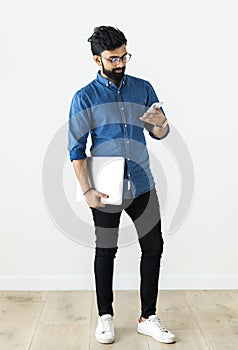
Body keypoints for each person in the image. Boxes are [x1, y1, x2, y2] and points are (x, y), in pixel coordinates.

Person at [68, 26, 175, 344]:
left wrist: (162, 125)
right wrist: (87, 190)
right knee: (106, 250)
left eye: (124, 55)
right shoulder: (84, 97)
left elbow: (160, 133)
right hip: (106, 185)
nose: (120, 62)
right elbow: (76, 150)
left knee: (153, 247)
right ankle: (105, 317)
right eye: (113, 58)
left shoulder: (143, 89)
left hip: (142, 182)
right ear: (96, 60)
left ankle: (148, 316)